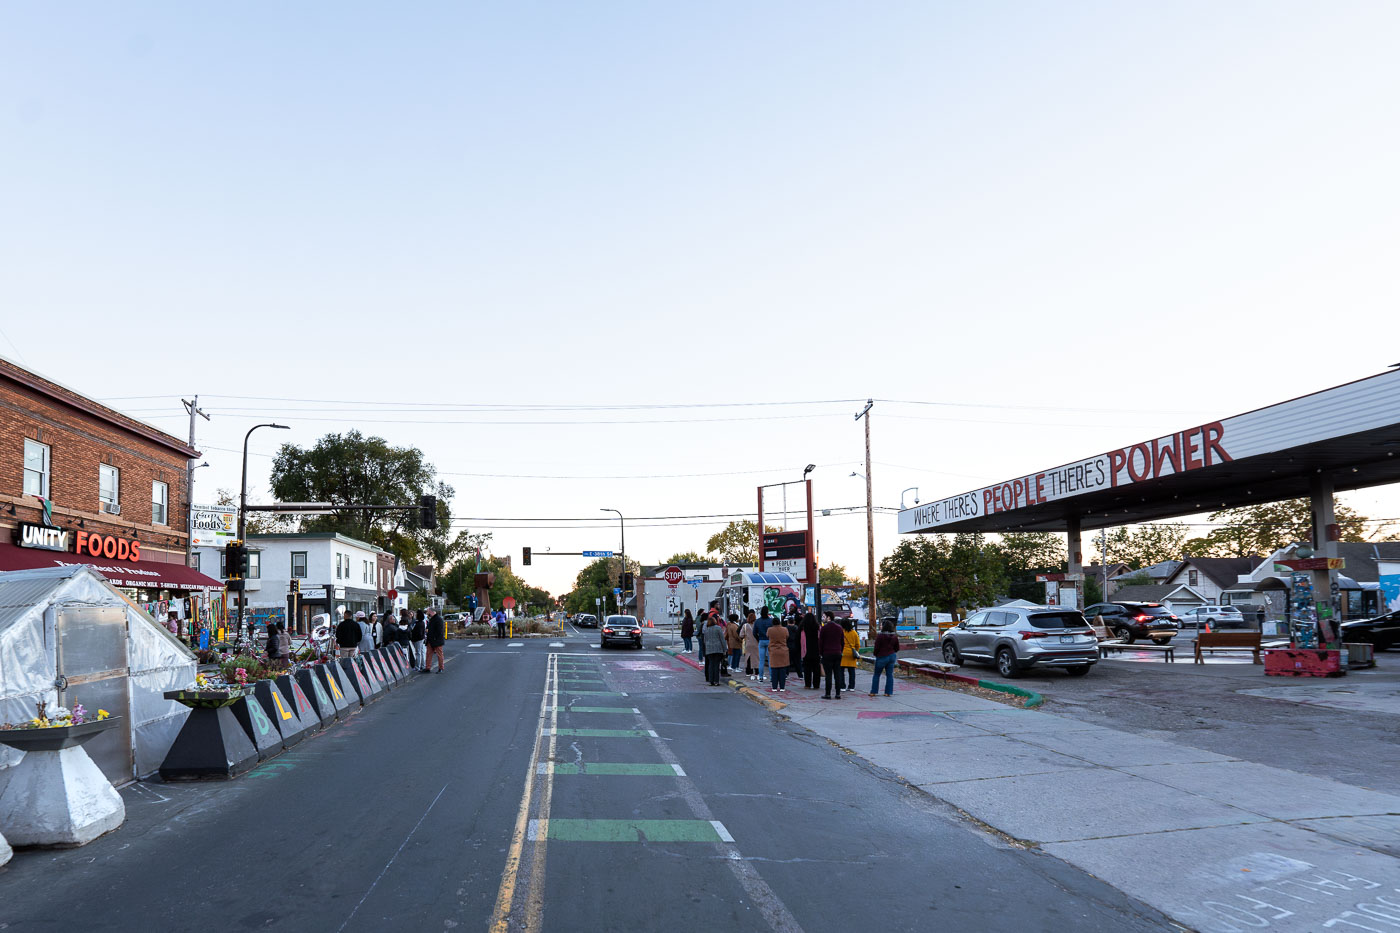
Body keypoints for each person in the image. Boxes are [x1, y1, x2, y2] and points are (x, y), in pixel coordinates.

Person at [870, 619, 899, 697]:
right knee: (890, 675)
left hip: (882, 656)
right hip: (892, 656)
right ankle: (888, 692)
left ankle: (874, 691)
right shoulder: (894, 636)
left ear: (884, 627)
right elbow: (897, 648)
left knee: (877, 674)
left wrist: (876, 654)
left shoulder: (880, 636)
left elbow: (876, 647)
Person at [819, 613, 846, 699]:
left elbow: (820, 642)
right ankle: (838, 693)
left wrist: (821, 653)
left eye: (824, 617)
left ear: (829, 617)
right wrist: (840, 650)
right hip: (837, 653)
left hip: (827, 653)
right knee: (837, 674)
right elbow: (842, 642)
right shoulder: (839, 628)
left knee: (828, 675)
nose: (823, 618)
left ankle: (828, 694)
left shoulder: (824, 628)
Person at [702, 612, 727, 686]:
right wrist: (725, 649)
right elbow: (722, 639)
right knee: (716, 665)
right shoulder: (718, 628)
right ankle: (716, 681)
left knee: (711, 665)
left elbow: (704, 640)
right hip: (718, 649)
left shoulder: (706, 630)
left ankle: (711, 680)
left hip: (709, 649)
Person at [767, 615, 791, 693]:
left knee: (774, 670)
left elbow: (767, 636)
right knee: (782, 670)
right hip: (783, 651)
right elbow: (787, 637)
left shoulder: (770, 630)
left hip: (773, 651)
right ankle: (782, 687)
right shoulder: (785, 629)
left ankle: (774, 687)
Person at [802, 612, 821, 689]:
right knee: (816, 668)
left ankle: (807, 684)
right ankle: (816, 685)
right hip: (816, 650)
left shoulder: (803, 628)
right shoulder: (817, 628)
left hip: (806, 650)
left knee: (807, 669)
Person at [841, 618, 860, 691]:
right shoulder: (854, 633)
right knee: (852, 671)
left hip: (843, 653)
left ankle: (842, 686)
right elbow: (857, 644)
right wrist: (856, 651)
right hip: (851, 654)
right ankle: (851, 686)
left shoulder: (842, 632)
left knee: (841, 671)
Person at [754, 606, 773, 682]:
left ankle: (761, 677)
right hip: (769, 640)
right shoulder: (771, 621)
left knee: (761, 660)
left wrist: (758, 639)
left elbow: (754, 632)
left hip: (761, 640)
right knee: (770, 660)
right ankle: (771, 677)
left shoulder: (757, 621)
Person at [425, 607, 446, 672]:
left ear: (431, 611)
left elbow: (439, 631)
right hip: (432, 639)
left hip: (436, 640)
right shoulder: (433, 619)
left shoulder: (438, 619)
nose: (427, 613)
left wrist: (434, 637)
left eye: (428, 611)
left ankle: (441, 668)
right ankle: (428, 667)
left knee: (439, 654)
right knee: (429, 654)